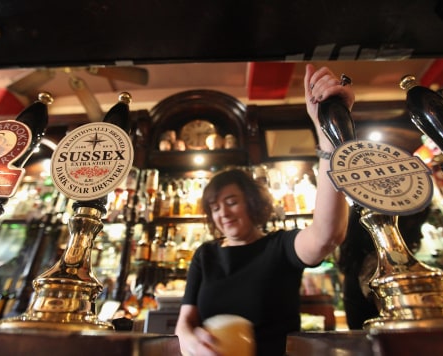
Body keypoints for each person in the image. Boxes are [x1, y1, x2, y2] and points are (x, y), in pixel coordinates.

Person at [175, 64, 355, 356]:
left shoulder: (278, 247)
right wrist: (190, 339)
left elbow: (326, 236)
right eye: (215, 207)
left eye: (231, 201)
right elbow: (185, 323)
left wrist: (329, 135)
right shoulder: (205, 255)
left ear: (252, 202)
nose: (223, 213)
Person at [337, 206, 430, 330]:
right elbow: (404, 319)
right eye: (413, 225)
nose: (420, 235)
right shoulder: (379, 266)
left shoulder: (364, 263)